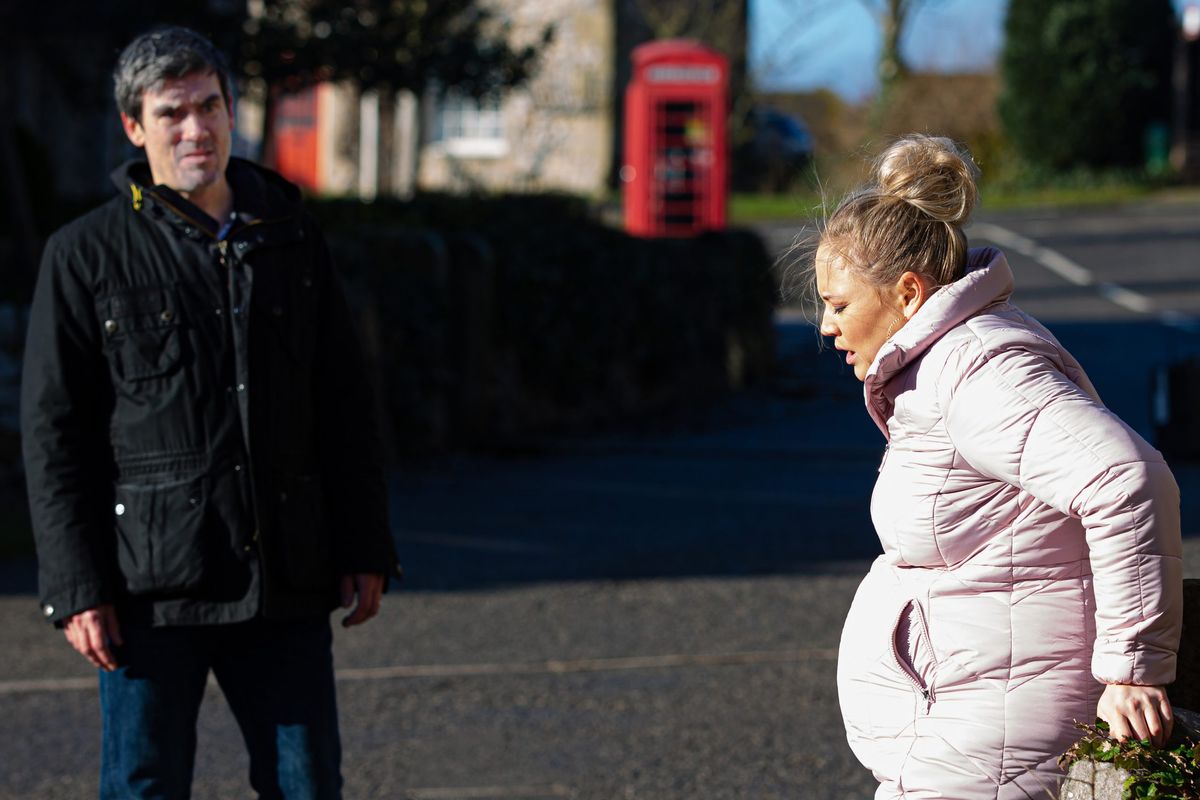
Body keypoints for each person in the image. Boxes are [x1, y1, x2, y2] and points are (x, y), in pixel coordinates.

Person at [20, 26, 399, 799]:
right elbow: (55, 430)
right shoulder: (84, 255)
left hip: (283, 570)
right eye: (172, 113)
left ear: (232, 113)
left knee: (307, 784)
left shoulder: (290, 236)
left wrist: (365, 541)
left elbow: (345, 403)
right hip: (148, 584)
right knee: (144, 785)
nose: (196, 129)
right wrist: (75, 584)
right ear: (134, 126)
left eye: (210, 106)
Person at [815, 135, 1182, 799]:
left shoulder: (978, 369)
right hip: (968, 723)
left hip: (996, 734)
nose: (824, 326)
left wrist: (1132, 670)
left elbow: (1126, 480)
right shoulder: (942, 367)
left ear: (906, 292)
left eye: (838, 304)